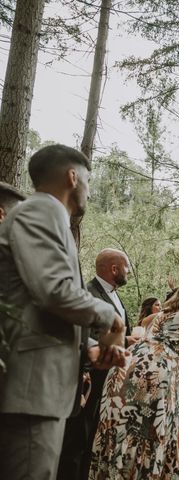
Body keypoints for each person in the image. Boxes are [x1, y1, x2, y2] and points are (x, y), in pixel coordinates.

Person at [0, 144, 126, 480]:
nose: (88, 188)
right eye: (88, 179)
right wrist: (109, 317)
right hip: (31, 387)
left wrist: (89, 349)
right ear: (73, 176)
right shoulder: (40, 212)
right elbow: (53, 291)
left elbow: (32, 309)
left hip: (43, 385)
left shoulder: (48, 217)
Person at [89, 271, 179, 479]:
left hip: (131, 363)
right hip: (159, 369)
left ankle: (118, 471)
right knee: (153, 427)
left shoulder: (168, 308)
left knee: (127, 423)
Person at [58, 248, 136, 480]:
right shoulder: (88, 292)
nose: (128, 272)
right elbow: (83, 332)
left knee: (96, 436)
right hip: (89, 377)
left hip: (111, 379)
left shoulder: (114, 294)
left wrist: (128, 340)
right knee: (78, 438)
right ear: (114, 269)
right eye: (126, 267)